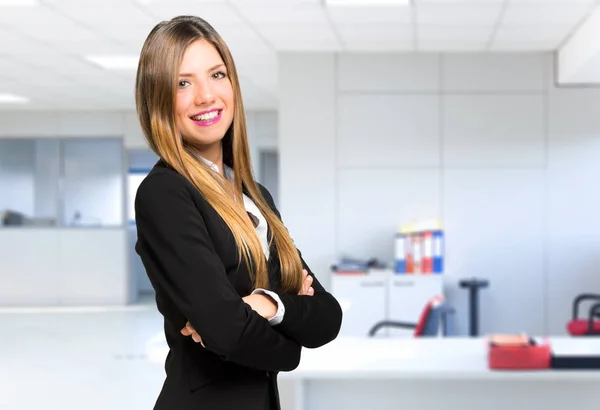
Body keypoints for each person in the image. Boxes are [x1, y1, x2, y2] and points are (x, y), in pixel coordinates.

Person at [133, 15, 343, 410]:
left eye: (217, 74)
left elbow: (327, 316)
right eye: (183, 83)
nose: (205, 95)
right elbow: (229, 332)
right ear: (158, 99)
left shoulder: (254, 195)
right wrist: (291, 344)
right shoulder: (165, 194)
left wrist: (265, 304)